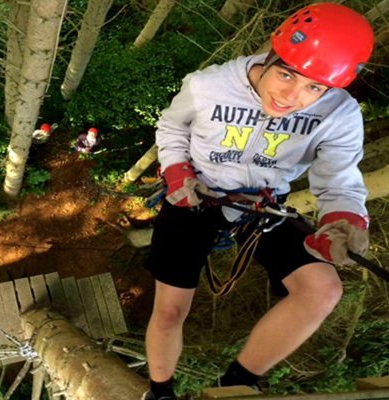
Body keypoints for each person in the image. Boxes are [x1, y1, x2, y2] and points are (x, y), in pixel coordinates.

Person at [142, 3, 374, 400]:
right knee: (168, 309)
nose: (292, 97)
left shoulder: (339, 114)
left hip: (264, 205)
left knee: (323, 290)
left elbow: (339, 177)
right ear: (271, 54)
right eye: (287, 74)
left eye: (314, 88)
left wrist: (343, 220)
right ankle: (159, 392)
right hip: (196, 194)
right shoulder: (207, 85)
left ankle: (236, 383)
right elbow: (172, 126)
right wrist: (177, 168)